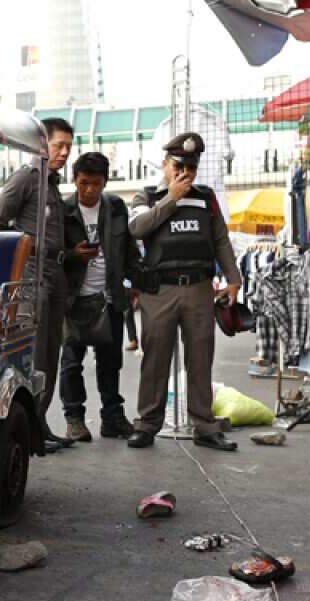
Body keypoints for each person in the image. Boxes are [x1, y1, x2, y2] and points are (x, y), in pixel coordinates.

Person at [126, 133, 242, 452]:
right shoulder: (147, 196)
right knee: (155, 358)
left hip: (199, 289)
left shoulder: (206, 198)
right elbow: (137, 228)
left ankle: (204, 426)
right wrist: (171, 198)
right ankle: (147, 425)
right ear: (165, 165)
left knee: (201, 358)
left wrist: (233, 279)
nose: (185, 172)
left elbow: (220, 240)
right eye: (178, 165)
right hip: (160, 290)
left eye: (191, 166)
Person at [0, 117, 76, 451]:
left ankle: (40, 423)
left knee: (51, 352)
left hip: (56, 274)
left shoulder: (52, 185)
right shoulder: (26, 179)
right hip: (31, 275)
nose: (64, 152)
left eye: (69, 146)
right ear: (41, 145)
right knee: (34, 353)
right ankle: (29, 428)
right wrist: (24, 252)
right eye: (58, 145)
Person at [59, 152, 140, 442]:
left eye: (96, 183)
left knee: (110, 361)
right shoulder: (62, 210)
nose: (89, 190)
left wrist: (137, 281)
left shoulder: (116, 207)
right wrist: (72, 255)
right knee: (71, 363)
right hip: (74, 299)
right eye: (84, 183)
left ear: (105, 182)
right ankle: (75, 419)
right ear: (74, 181)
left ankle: (112, 418)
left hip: (110, 298)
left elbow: (128, 248)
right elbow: (49, 253)